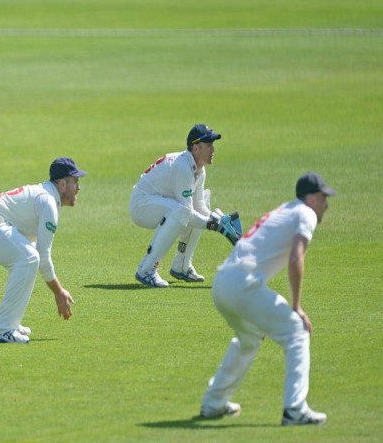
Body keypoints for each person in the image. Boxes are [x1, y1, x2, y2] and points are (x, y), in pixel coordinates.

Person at [200, 172, 335, 426]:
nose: (326, 204)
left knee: (249, 339)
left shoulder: (287, 210)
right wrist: (296, 308)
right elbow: (296, 258)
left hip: (223, 283)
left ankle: (213, 402)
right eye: (323, 198)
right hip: (242, 284)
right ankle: (294, 409)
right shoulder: (305, 213)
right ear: (312, 198)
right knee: (297, 331)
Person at [0, 158, 86, 343]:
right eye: (76, 182)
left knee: (30, 259)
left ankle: (11, 323)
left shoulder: (47, 197)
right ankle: (2, 329)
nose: (79, 187)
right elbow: (44, 255)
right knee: (30, 258)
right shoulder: (48, 202)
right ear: (63, 184)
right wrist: (59, 292)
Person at [130, 124, 238, 287]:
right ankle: (146, 270)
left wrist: (218, 220)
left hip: (157, 201)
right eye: (209, 145)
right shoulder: (182, 167)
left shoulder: (199, 170)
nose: (213, 149)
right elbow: (186, 212)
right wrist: (215, 226)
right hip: (141, 205)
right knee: (179, 211)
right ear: (196, 148)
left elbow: (199, 207)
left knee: (197, 206)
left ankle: (182, 265)